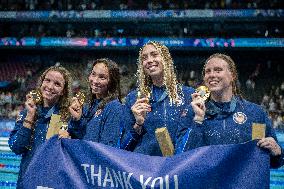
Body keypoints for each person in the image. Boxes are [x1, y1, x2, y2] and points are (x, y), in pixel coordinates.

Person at [177, 53, 284, 168]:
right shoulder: (192, 111)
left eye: (218, 70)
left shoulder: (255, 113)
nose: (212, 75)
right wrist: (198, 120)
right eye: (208, 71)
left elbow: (273, 162)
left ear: (232, 75)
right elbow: (181, 158)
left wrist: (277, 152)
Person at [120, 41, 194, 156]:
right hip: (145, 170)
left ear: (166, 59)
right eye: (144, 58)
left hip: (177, 168)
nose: (149, 60)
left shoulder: (188, 95)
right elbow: (123, 148)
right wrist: (138, 124)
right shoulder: (134, 98)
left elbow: (196, 139)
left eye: (154, 55)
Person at [9, 66, 73, 188]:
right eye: (47, 80)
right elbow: (16, 147)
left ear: (63, 91)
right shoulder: (27, 112)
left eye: (57, 84)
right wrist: (30, 117)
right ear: (41, 82)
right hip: (27, 182)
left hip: (52, 183)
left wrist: (70, 141)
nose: (50, 86)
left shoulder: (67, 117)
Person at [60, 58, 123, 147]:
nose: (95, 81)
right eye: (93, 74)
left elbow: (107, 149)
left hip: (92, 160)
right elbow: (77, 136)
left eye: (102, 77)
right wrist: (76, 120)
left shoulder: (114, 107)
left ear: (112, 82)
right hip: (81, 159)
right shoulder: (86, 106)